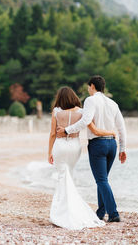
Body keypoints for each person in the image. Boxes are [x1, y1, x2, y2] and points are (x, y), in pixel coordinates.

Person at [57, 75, 127, 223]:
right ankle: (100, 212)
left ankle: (113, 213)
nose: (88, 90)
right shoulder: (113, 103)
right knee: (103, 180)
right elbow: (122, 128)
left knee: (101, 180)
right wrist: (123, 148)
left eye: (89, 87)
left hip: (98, 144)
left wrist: (67, 130)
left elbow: (85, 120)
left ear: (92, 86)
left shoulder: (90, 100)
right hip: (112, 145)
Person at [48, 86, 116, 230]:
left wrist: (49, 152)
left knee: (62, 177)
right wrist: (111, 132)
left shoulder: (56, 112)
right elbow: (94, 129)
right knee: (69, 177)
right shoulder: (82, 112)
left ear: (59, 98)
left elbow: (53, 134)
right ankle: (72, 210)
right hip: (74, 147)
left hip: (60, 147)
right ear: (73, 97)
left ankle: (61, 213)